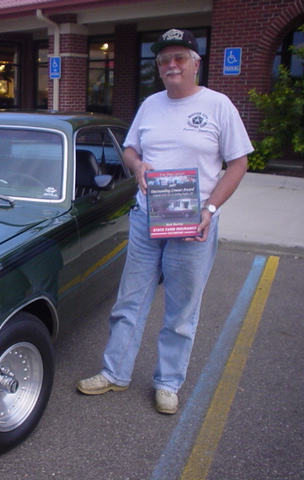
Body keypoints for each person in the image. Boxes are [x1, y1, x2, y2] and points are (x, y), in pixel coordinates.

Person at [77, 28, 253, 414]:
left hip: (193, 223)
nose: (171, 65)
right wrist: (137, 165)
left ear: (195, 63)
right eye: (164, 60)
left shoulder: (218, 105)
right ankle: (114, 373)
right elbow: (130, 149)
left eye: (179, 58)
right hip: (146, 216)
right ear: (158, 66)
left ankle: (168, 382)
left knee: (181, 308)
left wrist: (210, 211)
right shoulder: (151, 105)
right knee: (130, 299)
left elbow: (238, 163)